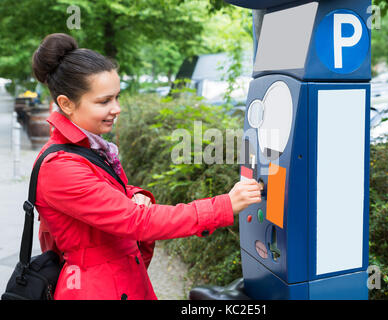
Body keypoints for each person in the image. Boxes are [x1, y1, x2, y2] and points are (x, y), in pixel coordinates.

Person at [31, 33, 262, 300]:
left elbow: (101, 196)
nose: (116, 108)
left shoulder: (86, 148)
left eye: (117, 97)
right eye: (104, 101)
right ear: (66, 104)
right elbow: (136, 222)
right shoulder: (60, 167)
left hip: (120, 281)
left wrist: (131, 194)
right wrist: (223, 205)